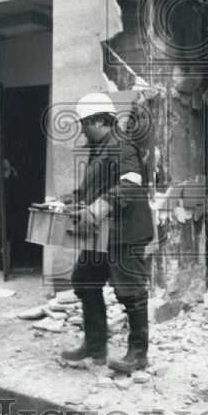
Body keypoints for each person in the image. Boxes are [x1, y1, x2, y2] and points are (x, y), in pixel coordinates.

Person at [60, 92, 153, 374]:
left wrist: (99, 206)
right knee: (85, 280)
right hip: (102, 234)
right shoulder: (98, 148)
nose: (83, 129)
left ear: (99, 120)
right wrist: (74, 199)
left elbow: (131, 184)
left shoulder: (122, 146)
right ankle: (96, 345)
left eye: (85, 123)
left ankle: (138, 354)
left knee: (131, 291)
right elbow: (94, 185)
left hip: (125, 232)